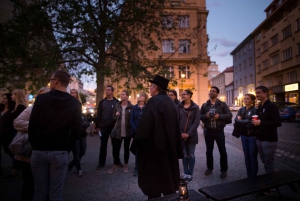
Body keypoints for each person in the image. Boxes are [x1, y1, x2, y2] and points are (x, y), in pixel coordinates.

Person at [28, 70, 82, 201]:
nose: (50, 83)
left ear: (56, 81)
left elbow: (32, 125)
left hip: (39, 149)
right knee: (56, 193)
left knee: (39, 193)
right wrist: (66, 148)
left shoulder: (41, 99)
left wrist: (35, 144)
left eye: (51, 80)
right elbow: (76, 131)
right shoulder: (75, 103)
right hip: (59, 151)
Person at [130, 75, 183, 199]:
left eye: (151, 86)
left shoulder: (153, 101)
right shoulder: (170, 101)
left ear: (156, 88)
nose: (149, 89)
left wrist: (137, 143)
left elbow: (145, 125)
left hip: (154, 148)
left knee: (154, 179)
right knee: (167, 176)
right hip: (168, 146)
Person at [13, 87, 50, 201]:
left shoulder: (54, 111)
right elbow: (17, 123)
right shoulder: (31, 109)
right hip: (28, 152)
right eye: (41, 95)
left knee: (44, 184)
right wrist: (34, 126)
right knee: (28, 183)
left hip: (46, 153)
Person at [252, 86, 281, 197]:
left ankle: (270, 188)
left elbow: (278, 123)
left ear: (265, 93)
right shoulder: (260, 106)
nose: (257, 95)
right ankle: (270, 184)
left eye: (259, 93)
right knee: (265, 163)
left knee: (269, 164)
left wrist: (261, 123)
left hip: (269, 140)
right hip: (260, 139)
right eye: (256, 93)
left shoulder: (272, 106)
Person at [200, 86, 232, 178]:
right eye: (210, 91)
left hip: (219, 131)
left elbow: (229, 115)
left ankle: (224, 170)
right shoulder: (205, 105)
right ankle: (209, 168)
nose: (211, 92)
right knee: (209, 151)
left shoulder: (222, 104)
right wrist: (205, 116)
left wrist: (219, 117)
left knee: (222, 151)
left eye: (214, 91)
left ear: (217, 94)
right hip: (208, 131)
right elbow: (199, 116)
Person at [1, 89, 27, 181]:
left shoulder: (20, 107)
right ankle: (16, 169)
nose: (11, 96)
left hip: (14, 133)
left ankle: (15, 171)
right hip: (11, 132)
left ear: (17, 95)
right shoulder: (16, 106)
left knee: (14, 151)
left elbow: (18, 121)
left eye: (13, 94)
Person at [108, 90, 133, 174]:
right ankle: (115, 165)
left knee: (126, 149)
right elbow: (113, 117)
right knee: (116, 149)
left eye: (123, 94)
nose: (121, 96)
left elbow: (132, 119)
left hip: (127, 131)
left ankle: (125, 165)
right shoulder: (117, 106)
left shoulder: (131, 107)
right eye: (121, 94)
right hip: (118, 131)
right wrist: (116, 115)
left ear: (127, 96)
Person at [178, 89, 200, 182]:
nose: (182, 96)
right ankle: (185, 173)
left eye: (184, 94)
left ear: (190, 95)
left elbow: (196, 122)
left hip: (191, 135)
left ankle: (190, 174)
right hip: (181, 135)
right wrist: (181, 133)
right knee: (184, 154)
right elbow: (176, 121)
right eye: (181, 94)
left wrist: (188, 134)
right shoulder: (178, 106)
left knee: (191, 154)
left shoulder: (195, 107)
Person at [95, 86, 119, 170]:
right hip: (104, 127)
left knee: (115, 145)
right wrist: (97, 126)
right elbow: (98, 115)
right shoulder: (102, 102)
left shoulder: (117, 102)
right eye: (106, 90)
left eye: (109, 90)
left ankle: (116, 161)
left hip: (113, 127)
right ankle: (101, 163)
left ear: (112, 92)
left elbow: (119, 115)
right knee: (103, 145)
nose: (107, 91)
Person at [234, 94, 258, 178]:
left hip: (252, 136)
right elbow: (236, 120)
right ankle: (249, 175)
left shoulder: (255, 110)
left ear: (252, 100)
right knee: (246, 156)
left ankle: (253, 175)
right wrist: (246, 121)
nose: (245, 100)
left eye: (248, 99)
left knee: (252, 156)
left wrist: (242, 121)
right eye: (244, 98)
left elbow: (252, 123)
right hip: (243, 135)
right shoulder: (241, 109)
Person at [68, 89, 90, 177]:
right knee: (76, 153)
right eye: (72, 93)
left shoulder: (79, 104)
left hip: (82, 133)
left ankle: (71, 164)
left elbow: (86, 122)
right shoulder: (68, 104)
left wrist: (83, 124)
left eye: (75, 93)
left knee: (83, 152)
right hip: (73, 133)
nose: (73, 94)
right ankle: (79, 169)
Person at [130, 92, 148, 176]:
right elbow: (131, 120)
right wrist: (135, 129)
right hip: (136, 133)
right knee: (137, 151)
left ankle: (145, 168)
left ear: (145, 98)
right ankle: (136, 168)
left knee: (145, 150)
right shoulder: (134, 108)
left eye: (141, 96)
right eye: (139, 96)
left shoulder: (147, 108)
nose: (139, 97)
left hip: (145, 133)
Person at [0, 93, 16, 177]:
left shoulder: (12, 111)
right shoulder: (1, 109)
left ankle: (16, 167)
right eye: (2, 98)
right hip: (1, 133)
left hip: (7, 134)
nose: (3, 100)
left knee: (8, 150)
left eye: (5, 98)